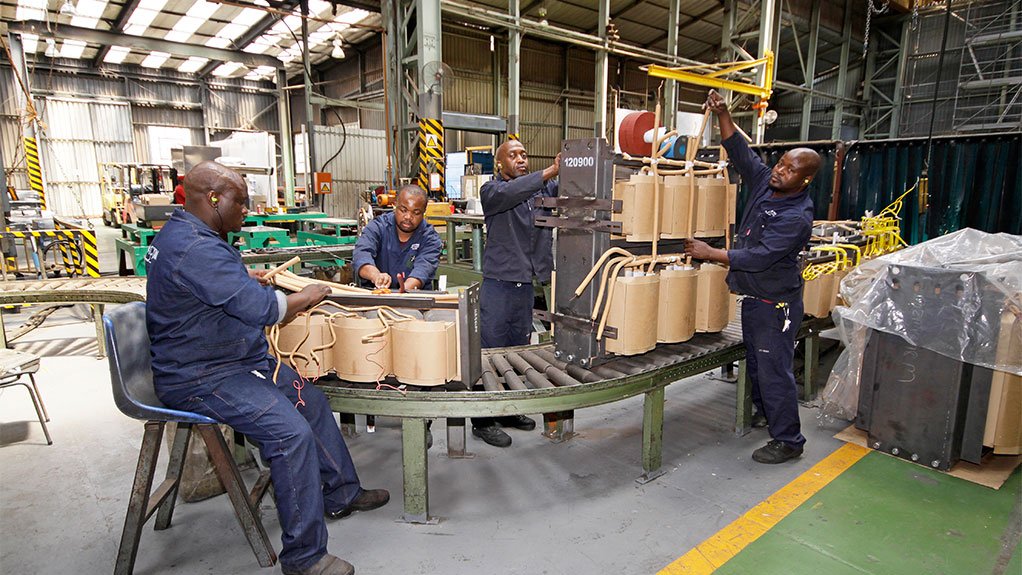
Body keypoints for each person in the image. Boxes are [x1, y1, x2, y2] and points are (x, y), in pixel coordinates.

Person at [145, 161, 389, 575]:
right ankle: (304, 558)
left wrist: (240, 276)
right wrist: (306, 295)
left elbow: (208, 285)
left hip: (232, 359)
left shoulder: (188, 234)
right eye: (240, 202)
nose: (246, 210)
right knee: (289, 434)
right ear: (214, 199)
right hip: (200, 375)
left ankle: (341, 494)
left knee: (309, 401)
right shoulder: (197, 248)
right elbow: (263, 310)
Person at [684, 90, 820, 465]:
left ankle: (789, 440)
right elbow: (740, 152)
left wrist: (711, 253)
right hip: (755, 299)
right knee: (759, 364)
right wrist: (724, 114)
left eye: (790, 170)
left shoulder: (797, 217)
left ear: (804, 180)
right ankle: (766, 414)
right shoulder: (767, 183)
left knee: (774, 370)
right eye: (780, 164)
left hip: (776, 305)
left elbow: (760, 257)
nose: (779, 170)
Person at [473, 139, 560, 447]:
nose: (521, 159)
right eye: (514, 155)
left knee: (517, 351)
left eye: (524, 154)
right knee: (490, 353)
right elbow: (515, 191)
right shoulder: (492, 191)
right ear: (500, 163)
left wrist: (577, 164)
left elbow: (567, 189)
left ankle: (509, 410)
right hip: (498, 285)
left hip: (525, 285)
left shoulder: (537, 190)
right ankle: (483, 420)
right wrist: (550, 170)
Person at [352, 184, 442, 292]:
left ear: (424, 212)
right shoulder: (378, 227)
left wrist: (404, 290)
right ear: (395, 206)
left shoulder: (430, 239)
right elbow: (361, 254)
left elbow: (423, 269)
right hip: (375, 295)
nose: (408, 217)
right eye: (403, 210)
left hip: (414, 300)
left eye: (416, 213)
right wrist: (376, 276)